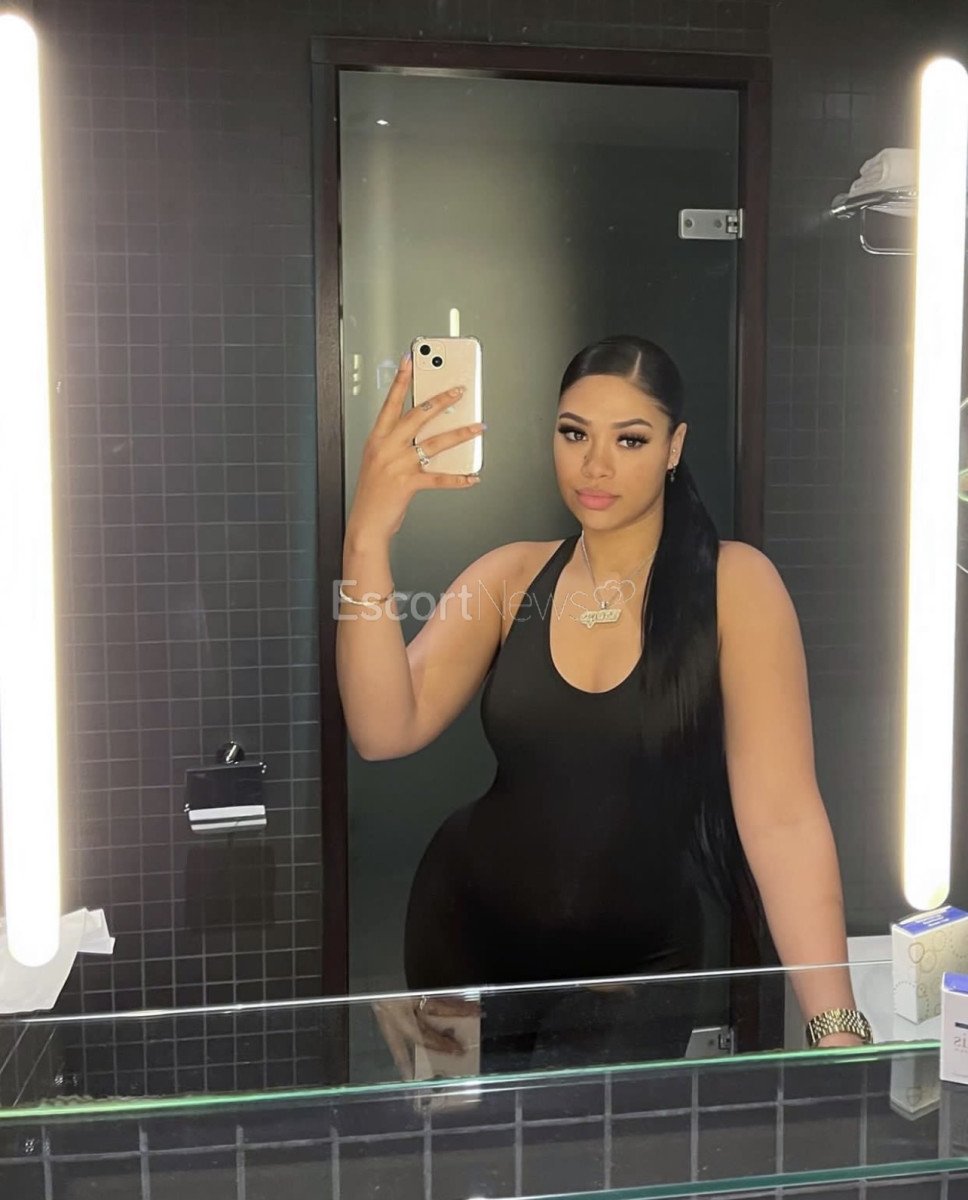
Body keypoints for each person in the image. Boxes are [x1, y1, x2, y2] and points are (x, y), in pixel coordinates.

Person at [336, 334, 870, 1075]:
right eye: (574, 433)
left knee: (596, 1141)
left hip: (636, 970)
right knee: (459, 1137)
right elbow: (381, 730)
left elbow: (783, 819)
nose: (595, 465)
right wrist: (366, 538)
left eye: (630, 439)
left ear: (674, 446)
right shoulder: (510, 578)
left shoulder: (736, 587)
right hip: (463, 935)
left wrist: (836, 1027)